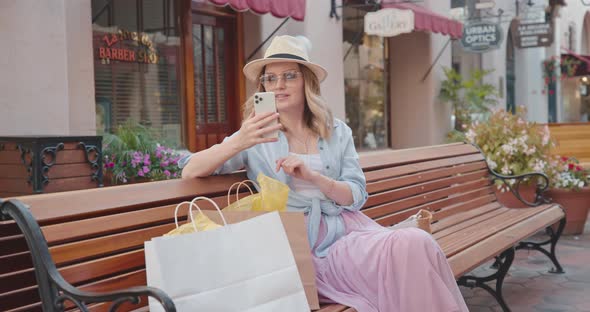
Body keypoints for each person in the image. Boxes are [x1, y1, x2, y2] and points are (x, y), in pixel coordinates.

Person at [180, 35, 469, 312]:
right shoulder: (254, 135)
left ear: (307, 81)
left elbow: (356, 195)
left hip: (348, 233)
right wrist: (241, 140)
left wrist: (315, 178)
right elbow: (190, 170)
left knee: (415, 243)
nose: (279, 85)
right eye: (270, 78)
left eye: (290, 75)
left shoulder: (336, 131)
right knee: (410, 248)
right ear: (262, 87)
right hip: (302, 248)